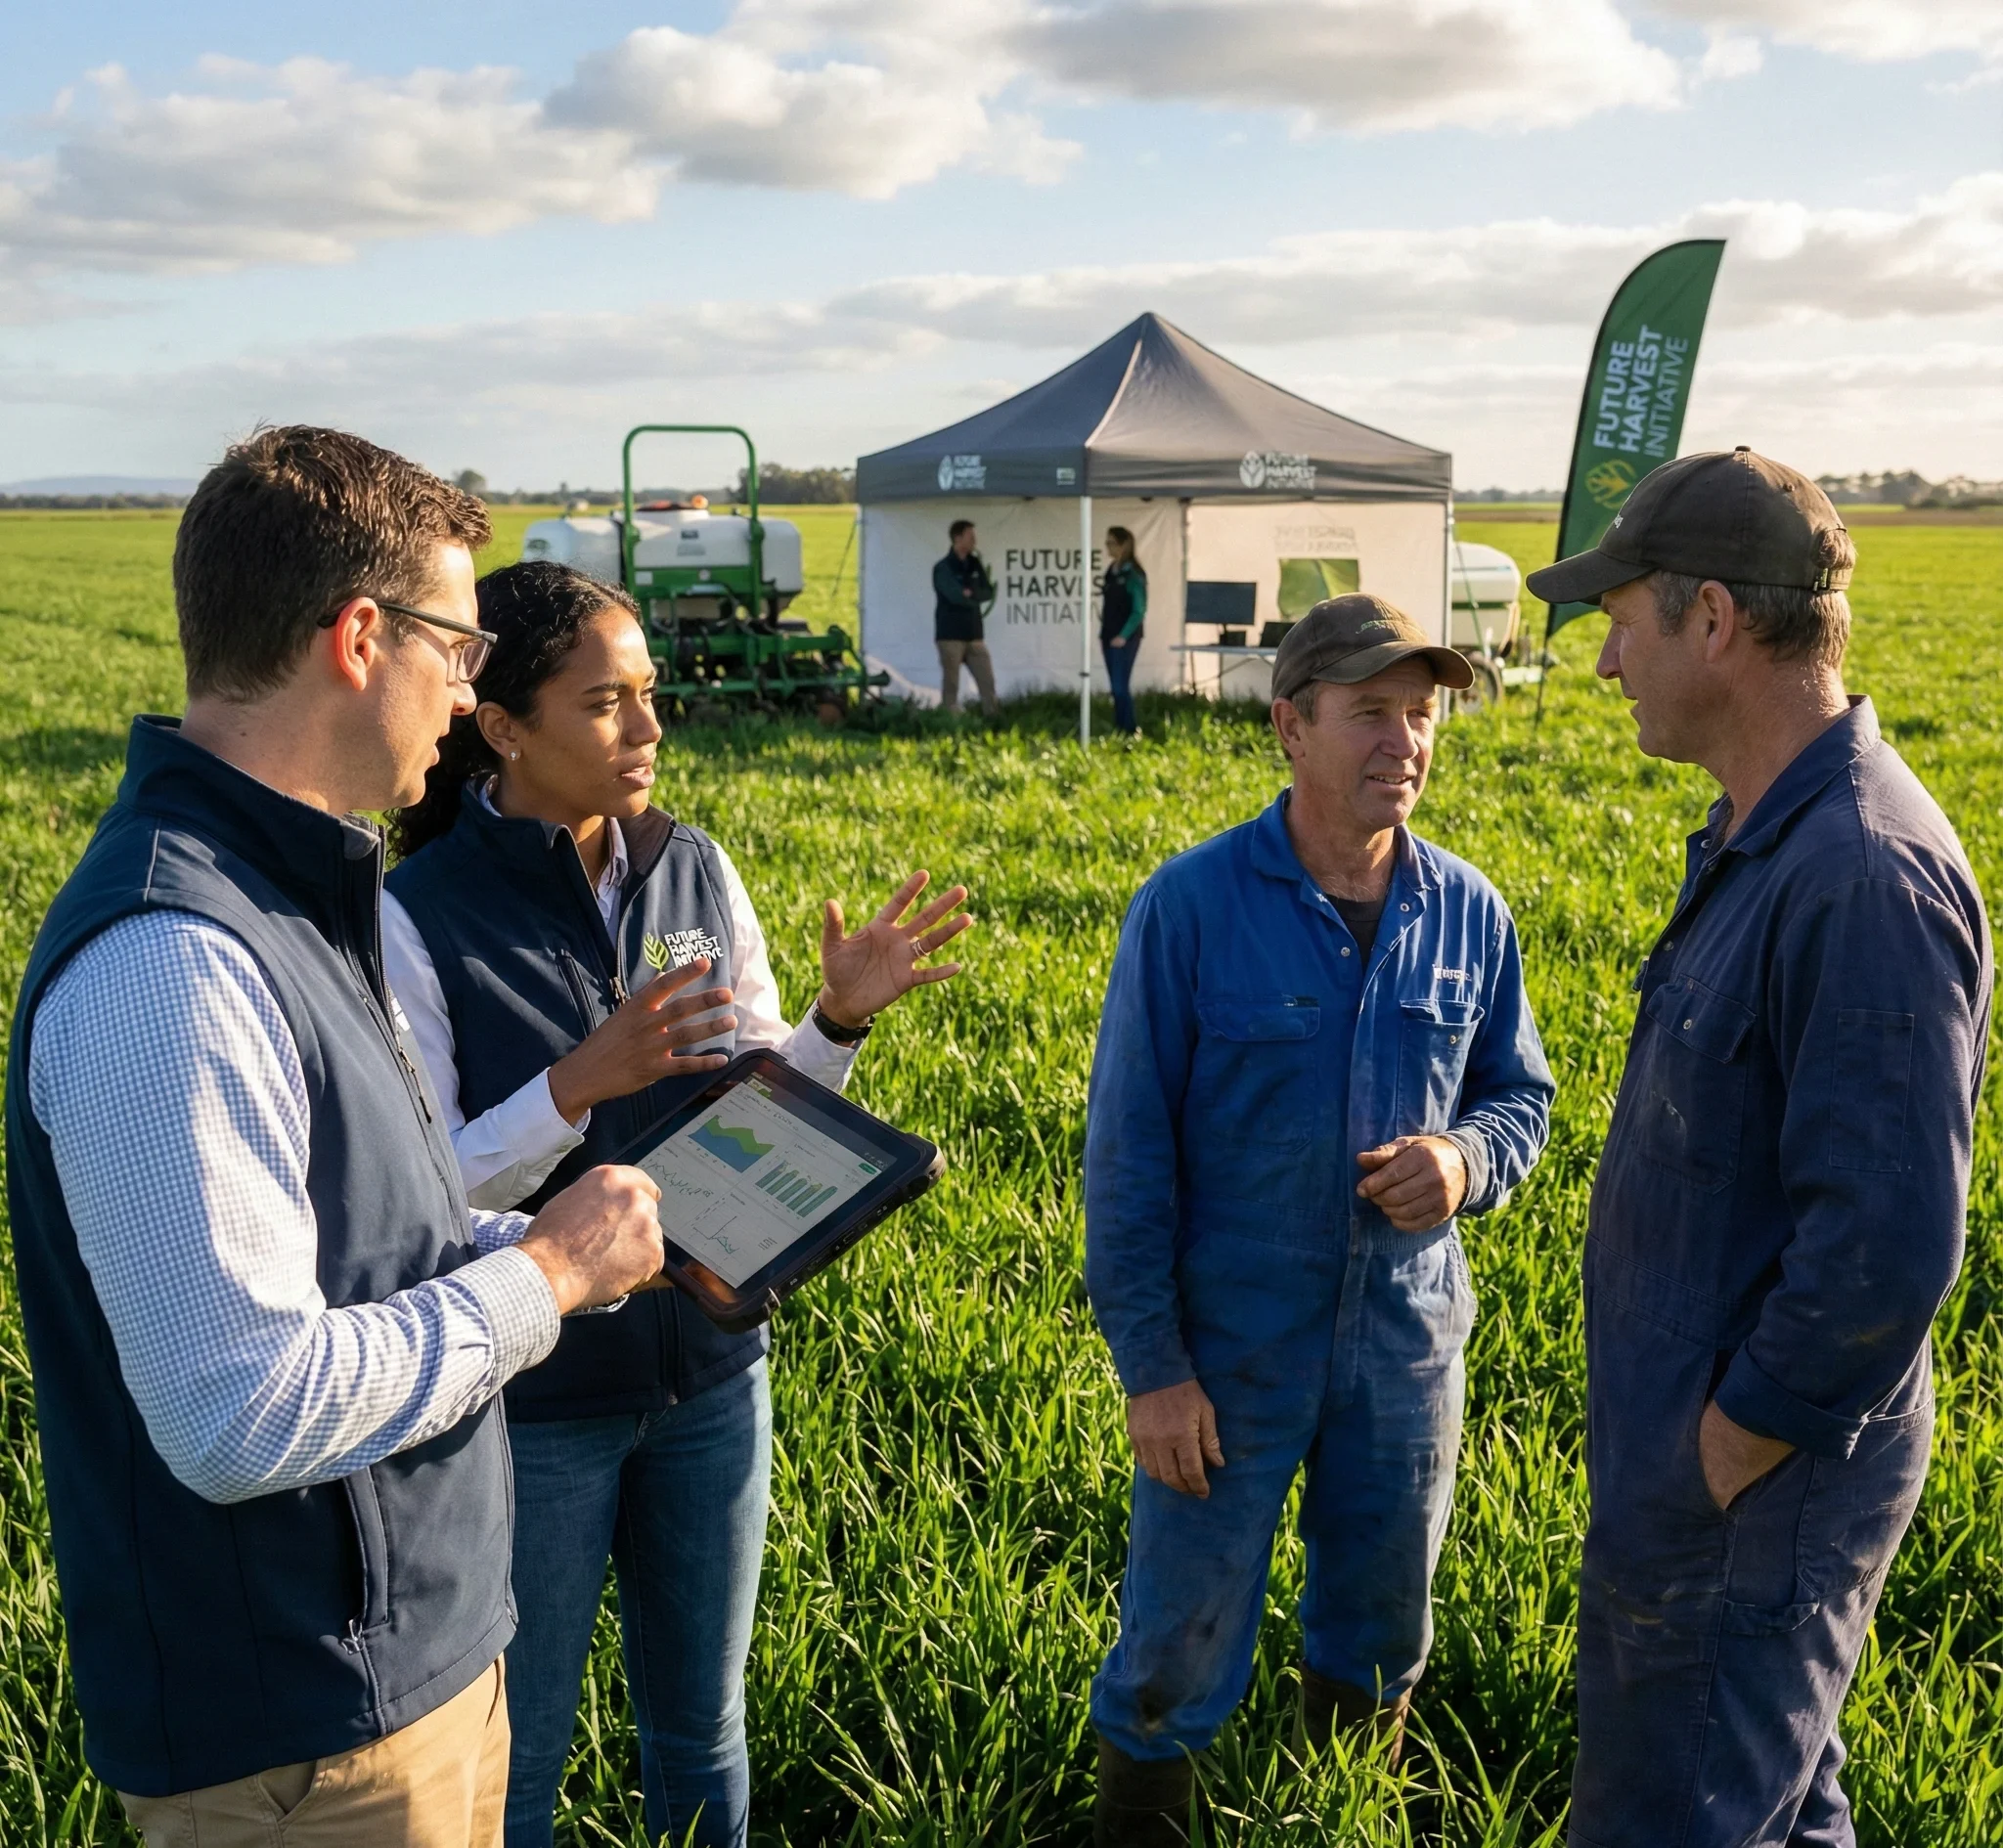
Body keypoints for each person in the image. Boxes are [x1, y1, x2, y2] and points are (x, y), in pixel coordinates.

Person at [4, 428, 669, 1846]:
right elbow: (238, 1411)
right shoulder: (173, 957)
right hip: (303, 1743)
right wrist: (545, 1275)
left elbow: (360, 1237)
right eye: (461, 648)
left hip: (406, 1672)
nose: (470, 689)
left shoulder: (293, 892)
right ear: (362, 640)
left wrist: (544, 1247)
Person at [382, 561, 972, 1848]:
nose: (648, 728)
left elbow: (759, 1108)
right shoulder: (414, 915)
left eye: (649, 693)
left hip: (711, 1377)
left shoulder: (693, 870)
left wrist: (836, 1024)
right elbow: (419, 1189)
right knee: (519, 1757)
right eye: (605, 703)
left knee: (702, 1731)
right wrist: (575, 1087)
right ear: (503, 726)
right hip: (536, 1404)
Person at [1526, 450, 1991, 1847]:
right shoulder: (1763, 834)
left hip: (1749, 1491)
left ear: (1714, 620)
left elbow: (1883, 1249)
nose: (1606, 662)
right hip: (1718, 1474)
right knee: (1775, 1806)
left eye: (1622, 621)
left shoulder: (1860, 873)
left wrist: (1726, 1449)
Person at [1083, 594, 1554, 1842]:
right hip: (1228, 1351)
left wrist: (1462, 1159)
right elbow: (1126, 1158)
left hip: (1404, 1345)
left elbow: (1520, 1096)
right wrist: (1153, 1369)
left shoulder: (1468, 912)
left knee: (1381, 1623)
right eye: (1369, 712)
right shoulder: (1189, 908)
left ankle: (1337, 1810)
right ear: (1289, 725)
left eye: (1422, 713)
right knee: (1175, 1638)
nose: (1404, 740)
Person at [932, 518, 998, 716]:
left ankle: (993, 718)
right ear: (957, 538)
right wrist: (970, 596)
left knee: (987, 681)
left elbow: (988, 592)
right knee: (951, 683)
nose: (974, 541)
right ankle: (950, 720)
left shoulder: (975, 564)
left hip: (974, 633)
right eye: (970, 536)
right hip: (950, 635)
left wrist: (971, 593)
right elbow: (955, 597)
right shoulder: (943, 567)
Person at [1100, 526, 1147, 736]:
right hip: (1108, 635)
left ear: (1123, 545)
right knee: (1115, 687)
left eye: (1111, 543)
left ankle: (1130, 729)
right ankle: (1119, 727)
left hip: (1125, 638)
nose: (1107, 547)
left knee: (1120, 686)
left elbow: (1139, 610)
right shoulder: (1112, 570)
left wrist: (1123, 635)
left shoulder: (1134, 574)